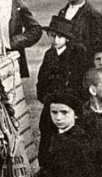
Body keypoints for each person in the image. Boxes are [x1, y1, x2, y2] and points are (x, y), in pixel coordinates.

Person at [36, 17, 89, 165]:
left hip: (71, 105)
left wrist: (74, 101)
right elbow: (41, 82)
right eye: (52, 35)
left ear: (67, 38)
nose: (55, 39)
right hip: (51, 105)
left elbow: (81, 80)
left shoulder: (77, 53)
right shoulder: (49, 55)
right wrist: (47, 98)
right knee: (47, 141)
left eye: (60, 36)